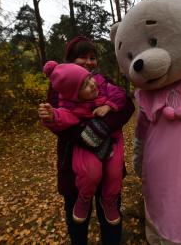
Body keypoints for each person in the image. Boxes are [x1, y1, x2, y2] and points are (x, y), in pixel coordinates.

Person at [38, 36, 135, 245]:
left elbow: (127, 105)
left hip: (109, 156)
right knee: (77, 217)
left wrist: (103, 126)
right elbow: (64, 124)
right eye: (83, 57)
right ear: (69, 59)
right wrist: (91, 135)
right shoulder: (58, 87)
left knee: (110, 209)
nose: (90, 62)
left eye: (93, 57)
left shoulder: (102, 81)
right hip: (74, 164)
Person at [41, 62, 126, 225]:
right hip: (88, 146)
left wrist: (108, 106)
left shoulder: (103, 85)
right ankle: (84, 199)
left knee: (115, 173)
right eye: (85, 85)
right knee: (89, 173)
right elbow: (65, 116)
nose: (92, 83)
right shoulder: (71, 105)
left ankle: (109, 201)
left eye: (89, 78)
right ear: (75, 95)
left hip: (113, 140)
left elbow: (121, 96)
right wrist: (53, 116)